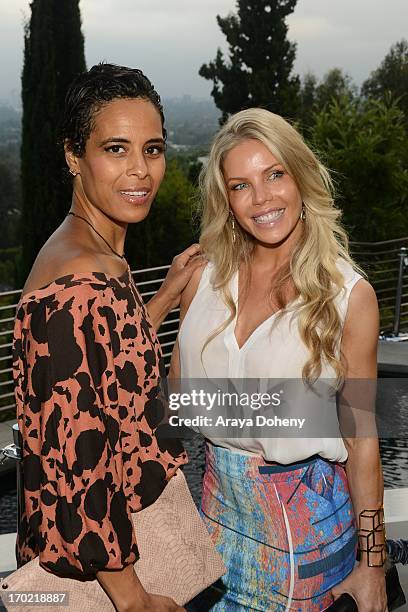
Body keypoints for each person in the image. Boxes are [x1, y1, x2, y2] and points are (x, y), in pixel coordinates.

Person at [170, 109, 387, 611]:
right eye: (241, 185)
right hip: (213, 530)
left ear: (300, 176)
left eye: (274, 174)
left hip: (308, 545)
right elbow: (179, 406)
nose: (262, 198)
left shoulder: (348, 297)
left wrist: (372, 564)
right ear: (226, 200)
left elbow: (362, 440)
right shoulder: (203, 281)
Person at [13, 63, 206, 612]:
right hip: (104, 579)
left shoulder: (95, 255)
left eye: (153, 149)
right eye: (116, 149)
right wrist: (135, 599)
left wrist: (165, 295)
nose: (140, 172)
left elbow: (101, 368)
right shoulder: (77, 281)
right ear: (74, 156)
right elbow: (77, 466)